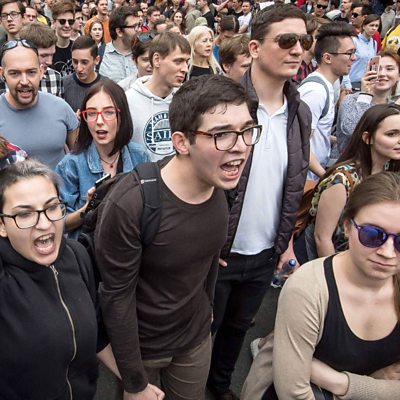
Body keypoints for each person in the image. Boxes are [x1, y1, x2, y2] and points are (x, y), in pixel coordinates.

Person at [95, 74, 259, 400]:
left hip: (194, 340)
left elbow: (210, 256)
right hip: (143, 348)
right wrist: (134, 382)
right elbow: (116, 297)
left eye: (247, 130)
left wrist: (208, 306)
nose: (241, 145)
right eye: (222, 134)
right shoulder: (131, 204)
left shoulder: (220, 185)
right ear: (182, 142)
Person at [207, 4, 311, 400]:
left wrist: (285, 242)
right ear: (254, 48)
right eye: (286, 40)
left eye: (304, 40)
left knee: (238, 328)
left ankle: (219, 386)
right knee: (201, 331)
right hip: (217, 252)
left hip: (265, 252)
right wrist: (204, 242)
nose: (298, 49)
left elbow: (290, 183)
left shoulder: (299, 113)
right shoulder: (222, 104)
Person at [242, 170, 400, 400]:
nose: (387, 252)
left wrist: (338, 382)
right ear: (347, 227)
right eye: (372, 235)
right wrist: (377, 385)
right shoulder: (308, 288)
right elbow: (293, 392)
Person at [0, 159, 120, 399]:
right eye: (24, 214)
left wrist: (136, 383)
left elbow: (96, 332)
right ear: (2, 225)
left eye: (52, 207)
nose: (44, 224)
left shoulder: (77, 255)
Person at [305, 103, 400, 260]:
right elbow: (322, 238)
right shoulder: (342, 180)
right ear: (367, 138)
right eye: (391, 134)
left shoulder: (389, 173)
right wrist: (335, 273)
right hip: (331, 262)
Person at [56, 79, 149, 237]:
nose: (99, 121)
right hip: (88, 247)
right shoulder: (71, 164)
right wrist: (87, 209)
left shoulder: (139, 156)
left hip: (129, 244)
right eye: (92, 113)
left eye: (108, 112)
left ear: (122, 115)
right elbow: (58, 223)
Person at [0, 40, 78, 169]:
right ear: (2, 74)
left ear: (41, 71)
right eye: (15, 73)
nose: (24, 81)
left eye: (31, 72)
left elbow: (79, 158)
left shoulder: (61, 108)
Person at [298, 21, 355, 180]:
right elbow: (300, 143)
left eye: (354, 52)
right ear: (328, 57)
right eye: (349, 53)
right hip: (307, 179)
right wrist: (326, 178)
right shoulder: (315, 91)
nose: (354, 58)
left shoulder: (327, 86)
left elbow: (316, 132)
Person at [126, 31, 190, 161]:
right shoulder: (128, 100)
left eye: (187, 62)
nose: (185, 69)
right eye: (178, 61)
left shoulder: (188, 99)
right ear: (157, 60)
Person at [336, 50, 400, 154]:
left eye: (389, 69)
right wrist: (365, 94)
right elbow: (351, 130)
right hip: (351, 161)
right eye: (377, 68)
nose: (382, 74)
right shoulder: (351, 100)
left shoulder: (394, 105)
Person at [19, 22, 64, 97]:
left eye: (52, 55)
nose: (49, 62)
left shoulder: (55, 77)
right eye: (44, 55)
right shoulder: (7, 79)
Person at [63, 36, 106, 112]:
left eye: (84, 62)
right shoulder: (63, 84)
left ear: (96, 60)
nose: (79, 68)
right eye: (75, 62)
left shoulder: (107, 86)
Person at [99, 5, 139, 82]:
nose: (138, 29)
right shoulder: (101, 54)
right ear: (119, 32)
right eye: (134, 26)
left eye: (138, 25)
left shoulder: (142, 52)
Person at [348, 14, 380, 89]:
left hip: (366, 82)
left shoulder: (374, 43)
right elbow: (346, 62)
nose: (374, 28)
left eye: (376, 26)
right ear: (364, 26)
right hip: (352, 82)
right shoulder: (354, 41)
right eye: (371, 25)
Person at [51, 0, 75, 76]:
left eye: (70, 21)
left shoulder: (77, 48)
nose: (67, 25)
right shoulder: (47, 50)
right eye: (62, 21)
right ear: (53, 23)